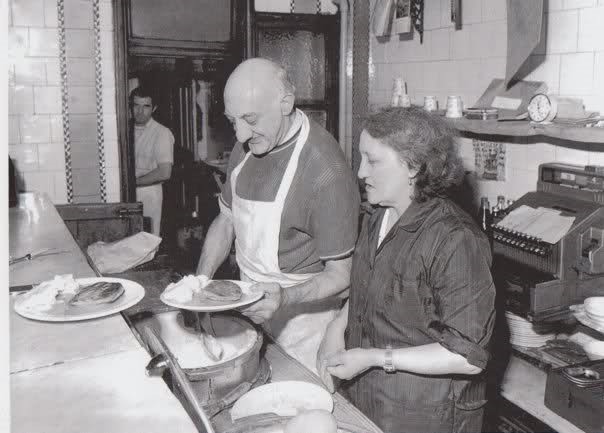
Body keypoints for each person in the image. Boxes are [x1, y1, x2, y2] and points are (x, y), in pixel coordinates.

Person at [317, 106, 496, 433]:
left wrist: (374, 358)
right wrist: (334, 328)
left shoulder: (456, 240)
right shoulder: (376, 215)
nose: (360, 173)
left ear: (413, 166)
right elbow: (368, 289)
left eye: (372, 161)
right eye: (360, 158)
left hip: (425, 415)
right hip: (369, 401)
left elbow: (468, 357)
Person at [196, 58, 360, 371]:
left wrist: (283, 298)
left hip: (304, 321)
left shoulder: (326, 170)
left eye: (250, 119)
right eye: (233, 121)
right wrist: (201, 284)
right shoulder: (247, 145)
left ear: (285, 102)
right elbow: (226, 219)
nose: (241, 134)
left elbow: (343, 275)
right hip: (249, 305)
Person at [131, 86, 174, 237]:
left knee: (147, 239)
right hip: (126, 192)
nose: (140, 111)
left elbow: (164, 172)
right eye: (136, 105)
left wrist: (132, 183)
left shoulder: (161, 133)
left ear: (154, 108)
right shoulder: (124, 129)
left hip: (149, 193)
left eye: (146, 106)